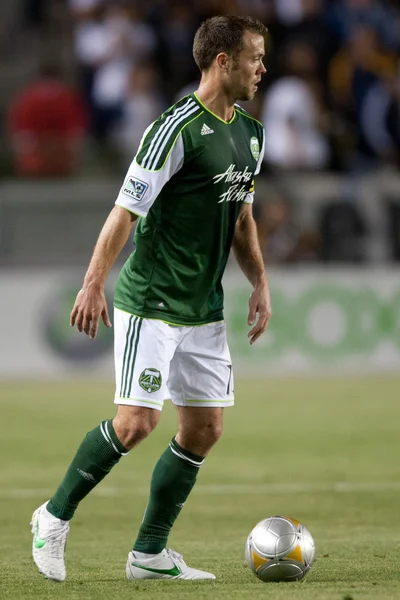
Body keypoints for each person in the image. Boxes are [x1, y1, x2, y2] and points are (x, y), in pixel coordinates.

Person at [31, 15, 271, 582]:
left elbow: (241, 217)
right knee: (136, 423)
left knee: (204, 430)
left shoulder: (251, 134)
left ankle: (149, 554)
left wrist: (260, 281)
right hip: (152, 301)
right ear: (223, 62)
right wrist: (94, 282)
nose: (264, 67)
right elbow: (125, 211)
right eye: (255, 57)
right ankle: (53, 515)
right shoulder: (174, 129)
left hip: (204, 308)